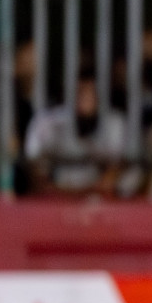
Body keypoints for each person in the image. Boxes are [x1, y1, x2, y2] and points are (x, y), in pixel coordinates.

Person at [25, 60, 128, 199]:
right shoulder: (47, 121)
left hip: (98, 198)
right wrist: (58, 193)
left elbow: (115, 171)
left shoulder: (114, 122)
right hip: (54, 197)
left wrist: (90, 193)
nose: (85, 97)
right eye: (80, 90)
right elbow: (35, 167)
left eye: (91, 90)